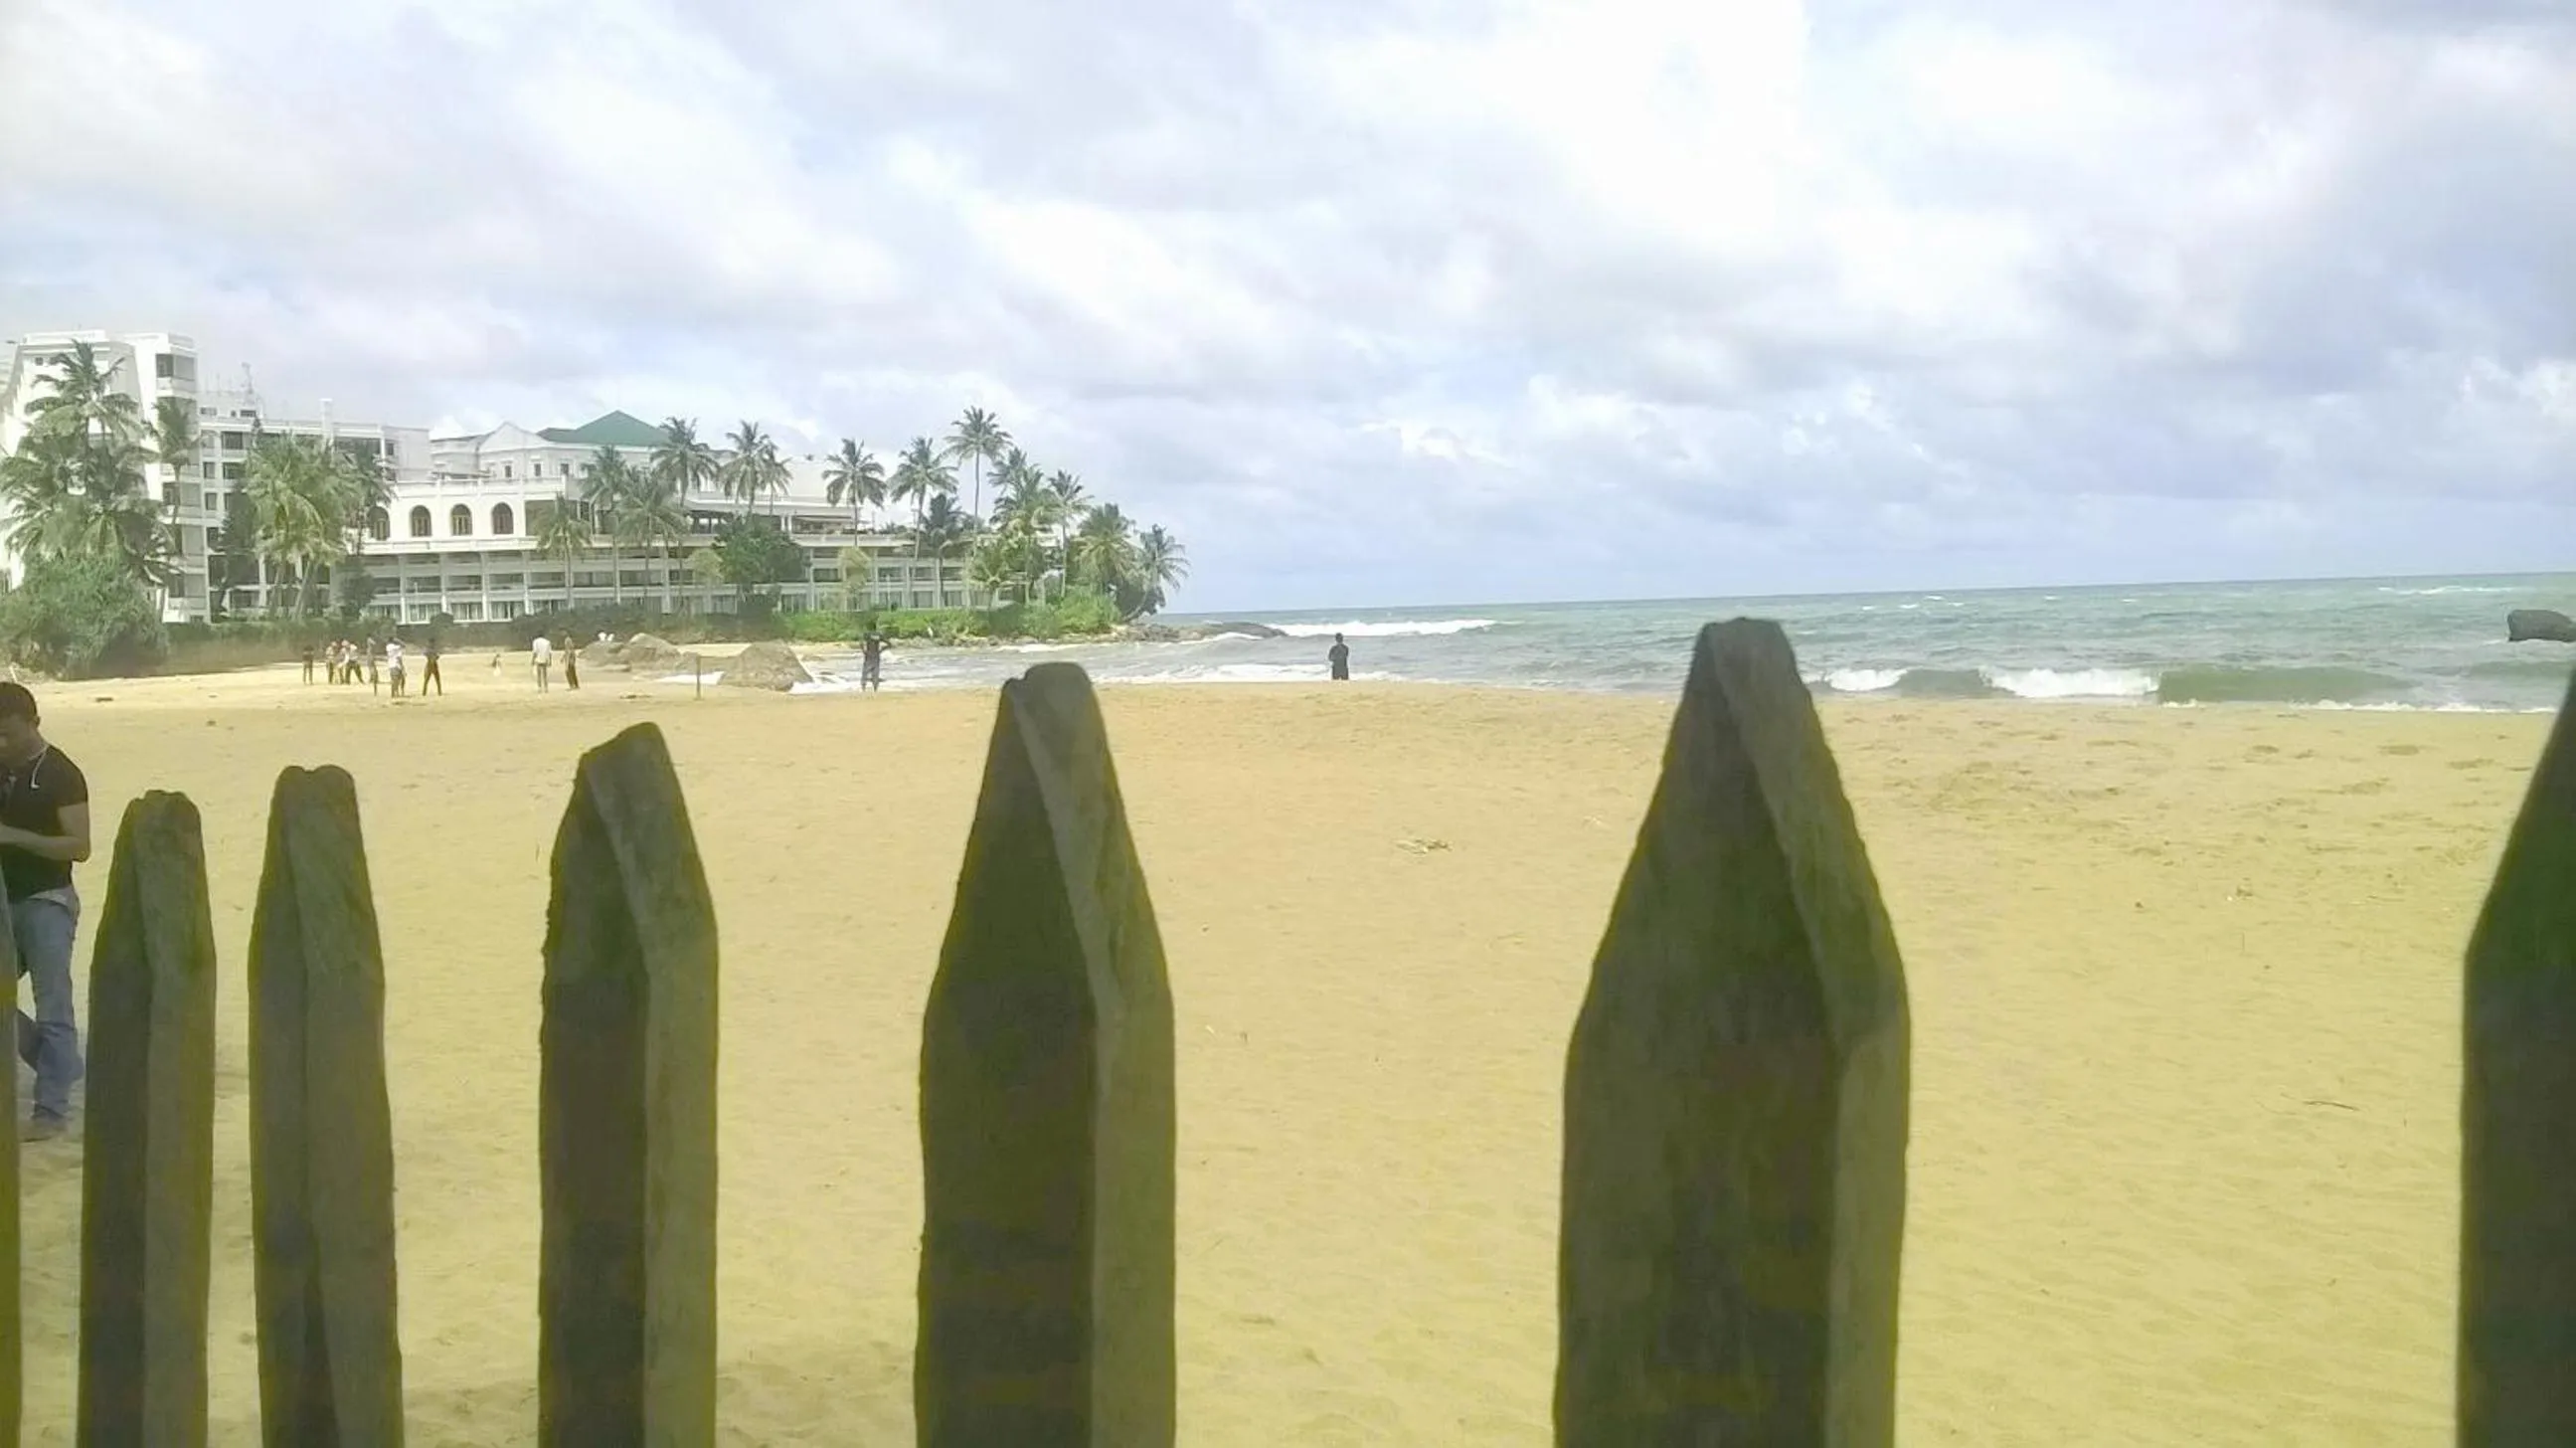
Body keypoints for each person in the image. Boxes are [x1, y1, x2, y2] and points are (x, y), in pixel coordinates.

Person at [0, 684, 90, 1142]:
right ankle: (64, 1065)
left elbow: (80, 847)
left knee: (53, 1006)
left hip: (47, 902)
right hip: (3, 904)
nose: (1, 745)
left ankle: (50, 1112)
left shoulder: (60, 773)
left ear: (34, 723)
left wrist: (14, 837)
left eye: (8, 735)